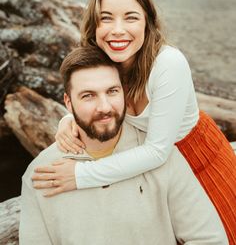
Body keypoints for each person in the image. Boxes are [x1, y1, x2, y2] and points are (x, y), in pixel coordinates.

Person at [32, 0, 236, 244]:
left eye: (130, 18)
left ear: (147, 23)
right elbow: (92, 101)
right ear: (94, 26)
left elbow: (157, 151)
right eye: (106, 19)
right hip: (149, 169)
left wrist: (80, 176)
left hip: (197, 162)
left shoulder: (168, 63)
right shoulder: (105, 61)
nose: (118, 30)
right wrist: (67, 117)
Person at [20, 46, 229, 245]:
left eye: (112, 91)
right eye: (88, 96)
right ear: (68, 103)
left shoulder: (164, 156)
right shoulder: (40, 175)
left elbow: (209, 239)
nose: (104, 107)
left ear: (124, 93)